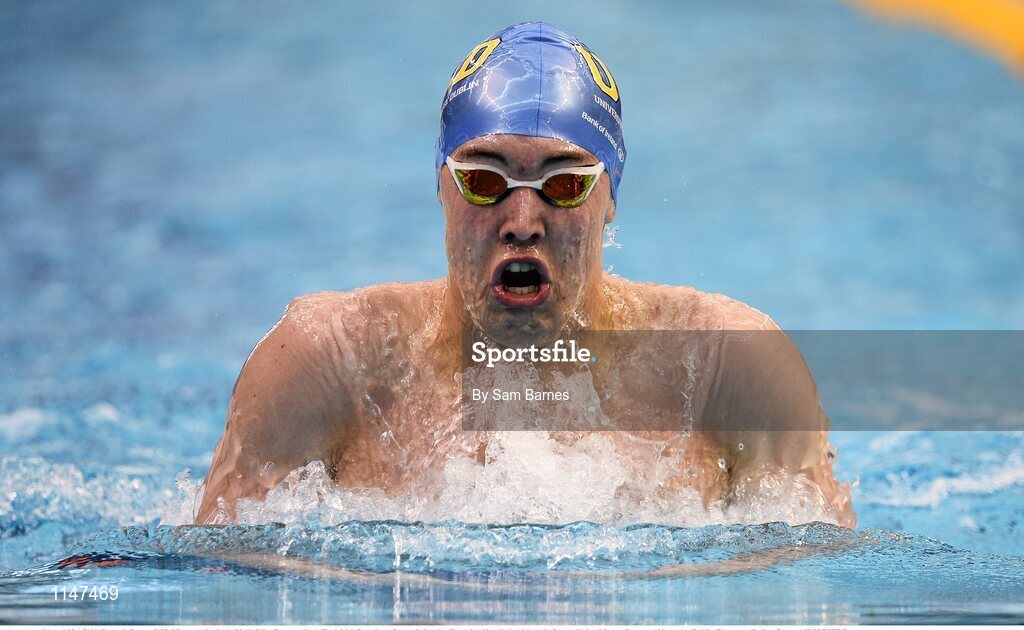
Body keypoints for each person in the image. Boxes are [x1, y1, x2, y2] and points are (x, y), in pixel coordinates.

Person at [196, 22, 855, 527]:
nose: (521, 218)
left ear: (609, 198)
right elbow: (212, 588)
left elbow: (820, 592)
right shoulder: (327, 363)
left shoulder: (725, 368)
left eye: (563, 185)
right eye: (484, 180)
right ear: (442, 187)